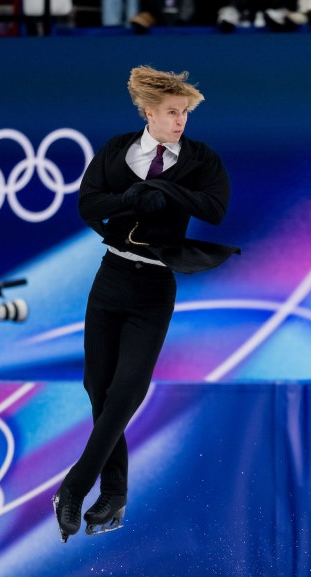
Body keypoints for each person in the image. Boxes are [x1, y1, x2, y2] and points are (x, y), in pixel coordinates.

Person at [55, 65, 235, 543]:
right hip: (111, 277)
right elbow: (88, 204)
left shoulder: (200, 158)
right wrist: (128, 196)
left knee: (128, 391)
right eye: (172, 113)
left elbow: (215, 208)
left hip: (155, 288)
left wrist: (163, 189)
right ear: (148, 113)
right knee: (98, 386)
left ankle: (73, 487)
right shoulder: (118, 150)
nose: (180, 122)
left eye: (185, 114)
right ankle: (114, 491)